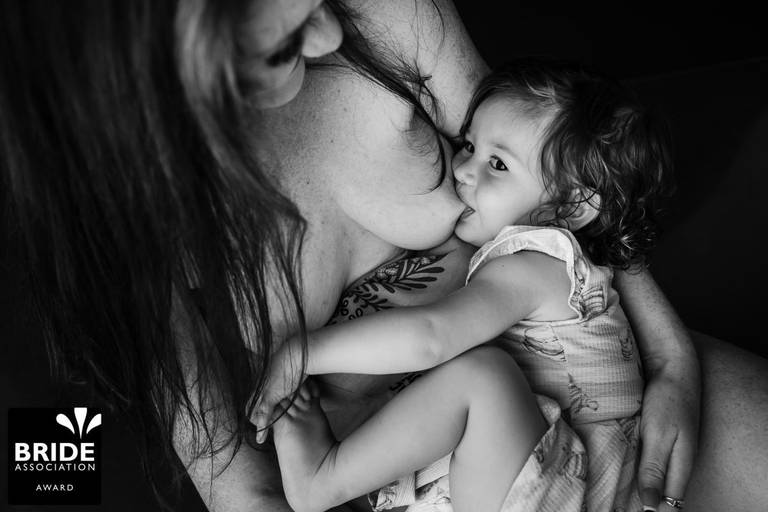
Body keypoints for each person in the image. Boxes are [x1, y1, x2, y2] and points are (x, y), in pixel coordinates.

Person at [2, 1, 767, 512]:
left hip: (577, 390)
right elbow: (214, 447)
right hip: (425, 478)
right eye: (284, 32)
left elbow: (560, 167)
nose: (328, 34)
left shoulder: (377, 10)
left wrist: (669, 355)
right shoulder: (119, 211)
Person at [254, 58, 666, 512]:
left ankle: (323, 481)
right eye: (468, 145)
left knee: (482, 376)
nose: (464, 168)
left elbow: (431, 336)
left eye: (498, 163)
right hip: (525, 486)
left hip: (568, 497)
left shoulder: (541, 264)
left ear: (570, 206)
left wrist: (304, 352)